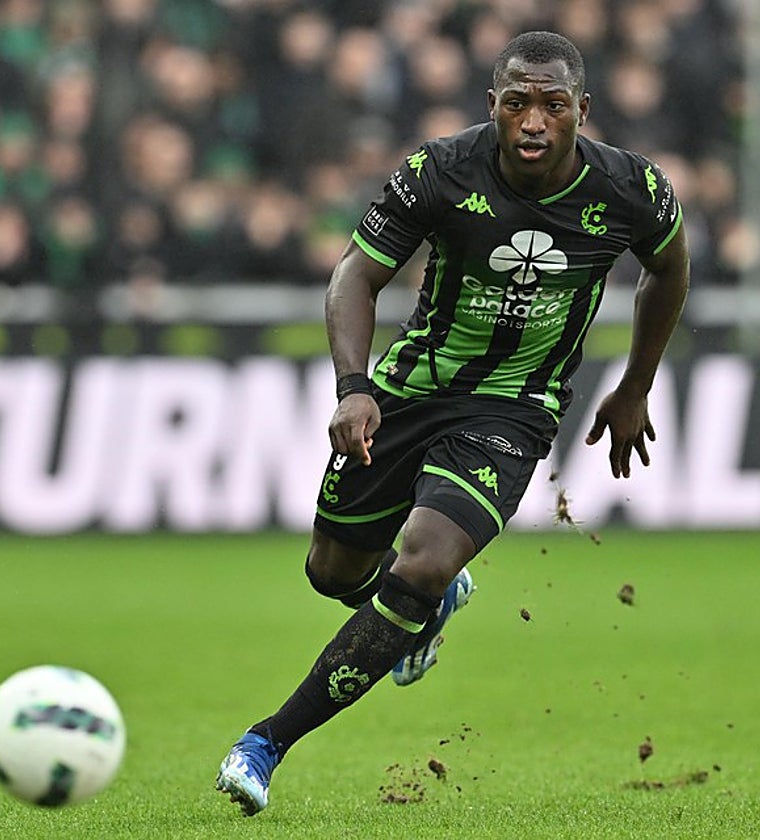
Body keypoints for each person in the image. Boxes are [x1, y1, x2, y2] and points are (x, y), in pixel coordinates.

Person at [215, 31, 690, 816]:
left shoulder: (630, 189)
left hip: (514, 408)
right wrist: (353, 388)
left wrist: (636, 385)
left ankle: (265, 743)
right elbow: (353, 277)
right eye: (517, 103)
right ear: (492, 105)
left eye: (553, 105)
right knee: (332, 573)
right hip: (410, 390)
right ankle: (426, 608)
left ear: (583, 110)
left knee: (425, 559)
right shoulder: (439, 171)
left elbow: (669, 269)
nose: (533, 121)